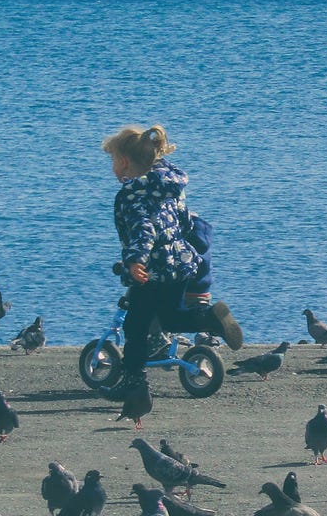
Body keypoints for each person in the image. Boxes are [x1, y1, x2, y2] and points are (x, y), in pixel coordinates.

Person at [101, 125, 242, 407]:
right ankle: (208, 319)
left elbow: (143, 229)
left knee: (135, 325)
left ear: (125, 162)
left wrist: (135, 260)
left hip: (152, 271)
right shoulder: (169, 187)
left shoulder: (132, 193)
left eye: (113, 161)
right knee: (171, 317)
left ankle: (135, 385)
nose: (113, 167)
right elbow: (185, 221)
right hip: (180, 264)